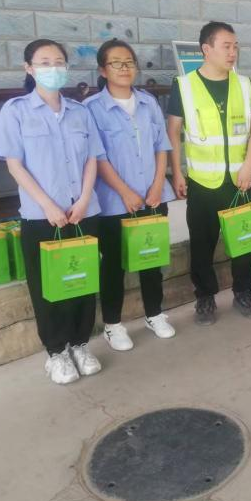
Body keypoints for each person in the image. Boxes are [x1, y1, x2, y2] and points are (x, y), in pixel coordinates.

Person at [0, 39, 105, 385]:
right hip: (42, 216)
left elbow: (92, 159)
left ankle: (81, 345)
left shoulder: (80, 111)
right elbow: (15, 165)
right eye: (44, 62)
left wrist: (84, 199)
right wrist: (47, 205)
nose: (53, 68)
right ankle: (56, 353)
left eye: (59, 61)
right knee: (48, 288)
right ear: (29, 68)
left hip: (83, 212)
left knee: (83, 282)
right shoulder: (15, 111)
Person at [166, 22, 251, 325]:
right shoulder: (184, 86)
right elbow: (173, 132)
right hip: (202, 183)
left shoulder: (245, 85)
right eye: (226, 46)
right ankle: (205, 297)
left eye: (235, 46)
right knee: (202, 244)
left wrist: (249, 166)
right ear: (206, 49)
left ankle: (244, 292)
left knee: (243, 241)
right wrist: (177, 173)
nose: (233, 52)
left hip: (239, 182)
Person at [85, 40, 176, 351]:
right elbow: (97, 157)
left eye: (129, 62)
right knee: (113, 264)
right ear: (103, 70)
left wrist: (157, 185)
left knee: (152, 257)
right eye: (116, 63)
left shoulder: (148, 103)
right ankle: (113, 325)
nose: (124, 68)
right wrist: (124, 192)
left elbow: (162, 146)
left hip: (152, 196)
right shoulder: (92, 109)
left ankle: (155, 313)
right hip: (114, 202)